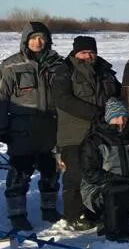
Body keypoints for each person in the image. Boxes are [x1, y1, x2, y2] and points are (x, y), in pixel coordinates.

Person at [0, 22, 62, 230]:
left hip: (51, 126)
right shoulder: (10, 66)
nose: (38, 42)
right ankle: (17, 214)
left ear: (47, 39)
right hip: (22, 128)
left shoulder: (57, 64)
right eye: (33, 38)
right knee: (20, 172)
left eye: (42, 37)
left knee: (51, 171)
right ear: (25, 40)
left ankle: (49, 208)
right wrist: (1, 128)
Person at [51, 35, 122, 230]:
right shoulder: (64, 70)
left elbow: (117, 93)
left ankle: (94, 209)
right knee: (76, 173)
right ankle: (74, 214)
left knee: (99, 171)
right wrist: (96, 113)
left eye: (92, 52)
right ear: (76, 53)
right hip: (74, 133)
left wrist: (117, 113)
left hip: (101, 133)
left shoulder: (105, 71)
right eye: (84, 52)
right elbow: (63, 99)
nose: (88, 56)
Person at [80, 98, 129, 241]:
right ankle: (112, 232)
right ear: (108, 118)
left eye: (123, 117)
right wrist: (117, 180)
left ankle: (125, 222)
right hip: (98, 189)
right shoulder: (94, 140)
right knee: (115, 190)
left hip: (128, 187)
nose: (121, 121)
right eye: (116, 117)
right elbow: (90, 173)